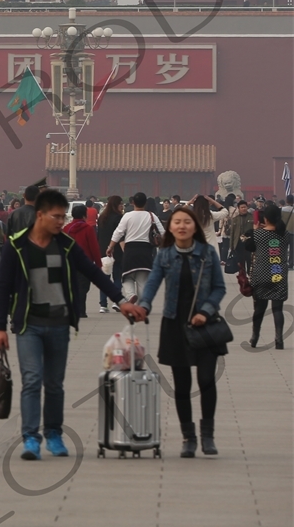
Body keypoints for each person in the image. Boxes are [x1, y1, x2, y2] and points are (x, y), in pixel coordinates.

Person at [0, 187, 125, 460]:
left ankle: (53, 433)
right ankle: (30, 438)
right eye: (56, 216)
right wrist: (0, 328)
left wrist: (121, 301)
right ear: (39, 215)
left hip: (59, 324)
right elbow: (3, 286)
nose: (60, 222)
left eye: (63, 217)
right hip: (29, 324)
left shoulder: (66, 245)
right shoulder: (16, 246)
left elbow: (92, 271)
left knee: (54, 384)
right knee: (31, 380)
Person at [122, 204, 227, 457]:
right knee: (181, 385)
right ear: (170, 227)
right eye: (177, 222)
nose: (182, 226)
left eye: (187, 222)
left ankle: (208, 436)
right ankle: (188, 438)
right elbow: (153, 285)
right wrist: (143, 307)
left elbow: (219, 288)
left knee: (205, 380)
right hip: (174, 324)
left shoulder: (208, 254)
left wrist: (206, 310)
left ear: (195, 226)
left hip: (205, 323)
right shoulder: (164, 255)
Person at [241, 203, 287, 350]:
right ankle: (279, 339)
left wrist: (254, 232)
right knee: (278, 309)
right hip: (278, 274)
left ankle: (255, 337)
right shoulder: (285, 234)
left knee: (259, 309)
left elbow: (249, 247)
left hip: (260, 274)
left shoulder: (257, 234)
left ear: (265, 218)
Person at [94, 195, 124, 310]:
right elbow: (121, 236)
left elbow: (98, 235)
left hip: (103, 251)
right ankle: (116, 301)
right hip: (116, 250)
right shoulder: (118, 218)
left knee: (104, 278)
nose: (122, 206)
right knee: (117, 277)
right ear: (116, 205)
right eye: (120, 204)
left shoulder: (102, 217)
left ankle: (103, 304)